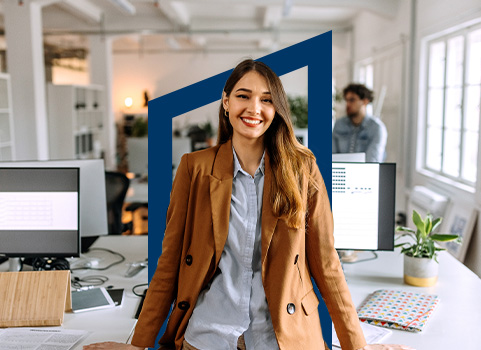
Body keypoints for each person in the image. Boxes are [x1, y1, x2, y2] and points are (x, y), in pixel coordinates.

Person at [84, 60, 412, 350]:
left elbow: (326, 265)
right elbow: (169, 263)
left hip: (282, 336)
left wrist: (357, 345)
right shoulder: (194, 167)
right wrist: (139, 344)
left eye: (266, 100)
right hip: (209, 335)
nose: (254, 108)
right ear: (226, 102)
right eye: (243, 96)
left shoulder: (302, 168)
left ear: (277, 109)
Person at [332, 84, 387, 162]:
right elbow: (332, 156)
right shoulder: (339, 125)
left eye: (352, 100)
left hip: (365, 173)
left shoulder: (377, 128)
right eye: (346, 100)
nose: (348, 104)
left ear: (365, 101)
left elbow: (372, 161)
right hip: (340, 172)